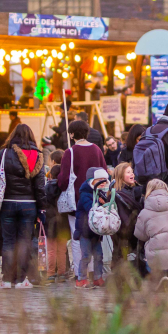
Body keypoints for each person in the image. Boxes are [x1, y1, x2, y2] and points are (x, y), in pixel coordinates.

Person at [0, 124, 47, 288]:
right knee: (24, 242)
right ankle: (21, 279)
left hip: (7, 204)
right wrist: (42, 208)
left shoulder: (4, 153)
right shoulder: (38, 155)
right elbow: (40, 187)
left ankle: (7, 279)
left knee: (8, 242)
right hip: (29, 206)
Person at [57, 120, 107, 281]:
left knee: (78, 237)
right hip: (96, 200)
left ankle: (81, 274)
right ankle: (95, 272)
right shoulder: (97, 150)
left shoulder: (70, 152)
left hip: (77, 202)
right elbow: (104, 173)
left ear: (72, 134)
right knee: (95, 236)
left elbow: (63, 179)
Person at [74, 167, 111, 288]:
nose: (103, 183)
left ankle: (97, 277)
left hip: (96, 232)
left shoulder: (102, 193)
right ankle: (81, 279)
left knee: (99, 255)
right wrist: (100, 203)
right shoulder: (85, 194)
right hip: (85, 231)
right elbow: (90, 208)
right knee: (86, 256)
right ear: (92, 181)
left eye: (104, 181)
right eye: (99, 180)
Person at [42, 150, 70, 283]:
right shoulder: (64, 188)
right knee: (62, 250)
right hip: (63, 220)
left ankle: (50, 273)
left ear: (51, 175)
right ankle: (62, 274)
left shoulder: (47, 187)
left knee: (51, 249)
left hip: (50, 220)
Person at [110, 162, 143, 270]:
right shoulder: (118, 194)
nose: (132, 174)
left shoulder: (133, 190)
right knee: (122, 255)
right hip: (125, 231)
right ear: (120, 176)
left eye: (132, 172)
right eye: (128, 172)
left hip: (130, 231)